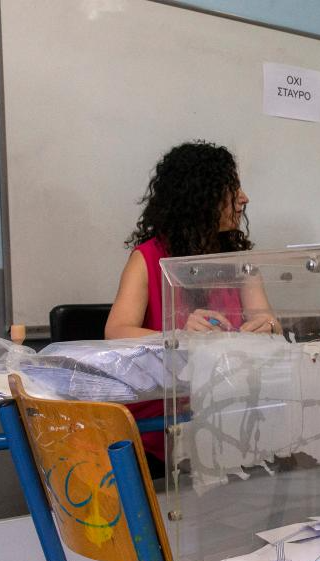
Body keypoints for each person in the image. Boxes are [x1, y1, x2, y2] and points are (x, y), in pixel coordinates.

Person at [104, 141, 279, 475]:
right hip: (163, 425)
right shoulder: (147, 258)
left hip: (228, 413)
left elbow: (270, 322)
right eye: (232, 189)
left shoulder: (240, 263)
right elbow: (116, 332)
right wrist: (180, 336)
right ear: (200, 197)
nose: (244, 198)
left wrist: (267, 328)